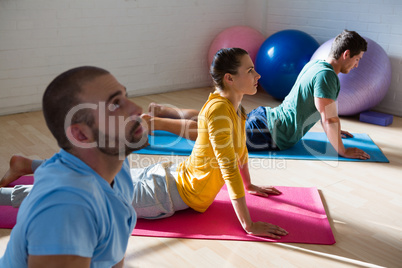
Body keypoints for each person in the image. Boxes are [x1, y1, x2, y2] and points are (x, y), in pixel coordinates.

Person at [1, 48, 288, 245]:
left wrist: (249, 186)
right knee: (78, 197)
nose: (257, 75)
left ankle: (27, 165)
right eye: (250, 70)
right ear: (230, 78)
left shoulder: (233, 108)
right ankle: (7, 195)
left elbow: (239, 153)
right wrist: (249, 225)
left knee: (93, 178)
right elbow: (227, 168)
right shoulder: (219, 111)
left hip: (167, 179)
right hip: (162, 194)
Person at [142, 30, 371, 160]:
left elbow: (322, 113)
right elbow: (328, 117)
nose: (358, 65)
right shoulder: (328, 76)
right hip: (271, 133)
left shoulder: (316, 63)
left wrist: (337, 130)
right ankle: (153, 123)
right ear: (346, 54)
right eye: (358, 59)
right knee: (212, 133)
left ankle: (164, 111)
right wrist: (342, 149)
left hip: (267, 119)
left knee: (216, 122)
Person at [0, 66, 148, 267]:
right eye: (114, 105)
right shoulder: (67, 207)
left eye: (125, 96)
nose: (137, 109)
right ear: (81, 135)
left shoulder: (116, 163)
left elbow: (114, 253)